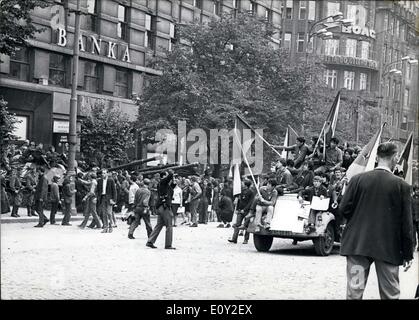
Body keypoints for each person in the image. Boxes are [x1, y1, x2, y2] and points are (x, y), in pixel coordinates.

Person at [338, 142, 414, 300]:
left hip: (358, 247)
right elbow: (406, 224)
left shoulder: (357, 179)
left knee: (354, 293)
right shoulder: (402, 186)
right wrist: (408, 253)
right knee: (390, 294)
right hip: (388, 249)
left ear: (377, 157)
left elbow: (343, 209)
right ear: (395, 158)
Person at [146, 170, 176, 249]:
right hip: (165, 207)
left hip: (161, 207)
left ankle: (150, 241)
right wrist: (171, 173)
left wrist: (173, 179)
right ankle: (168, 245)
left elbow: (171, 187)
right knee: (169, 226)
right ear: (163, 176)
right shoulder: (163, 182)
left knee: (159, 225)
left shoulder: (163, 185)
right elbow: (169, 178)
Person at [228, 180, 255, 244]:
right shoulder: (241, 192)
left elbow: (250, 202)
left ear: (246, 185)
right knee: (237, 224)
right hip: (240, 210)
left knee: (246, 225)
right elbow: (239, 201)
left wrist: (245, 209)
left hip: (247, 211)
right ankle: (234, 238)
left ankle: (246, 239)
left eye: (243, 184)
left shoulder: (251, 192)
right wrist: (237, 209)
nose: (242, 185)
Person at [97, 169, 117, 233]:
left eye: (104, 173)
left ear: (107, 173)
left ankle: (110, 226)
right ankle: (105, 227)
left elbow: (114, 191)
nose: (103, 174)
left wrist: (114, 200)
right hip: (102, 197)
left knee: (109, 213)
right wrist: (98, 197)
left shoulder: (111, 180)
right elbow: (98, 190)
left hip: (109, 198)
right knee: (104, 213)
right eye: (102, 173)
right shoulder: (100, 181)